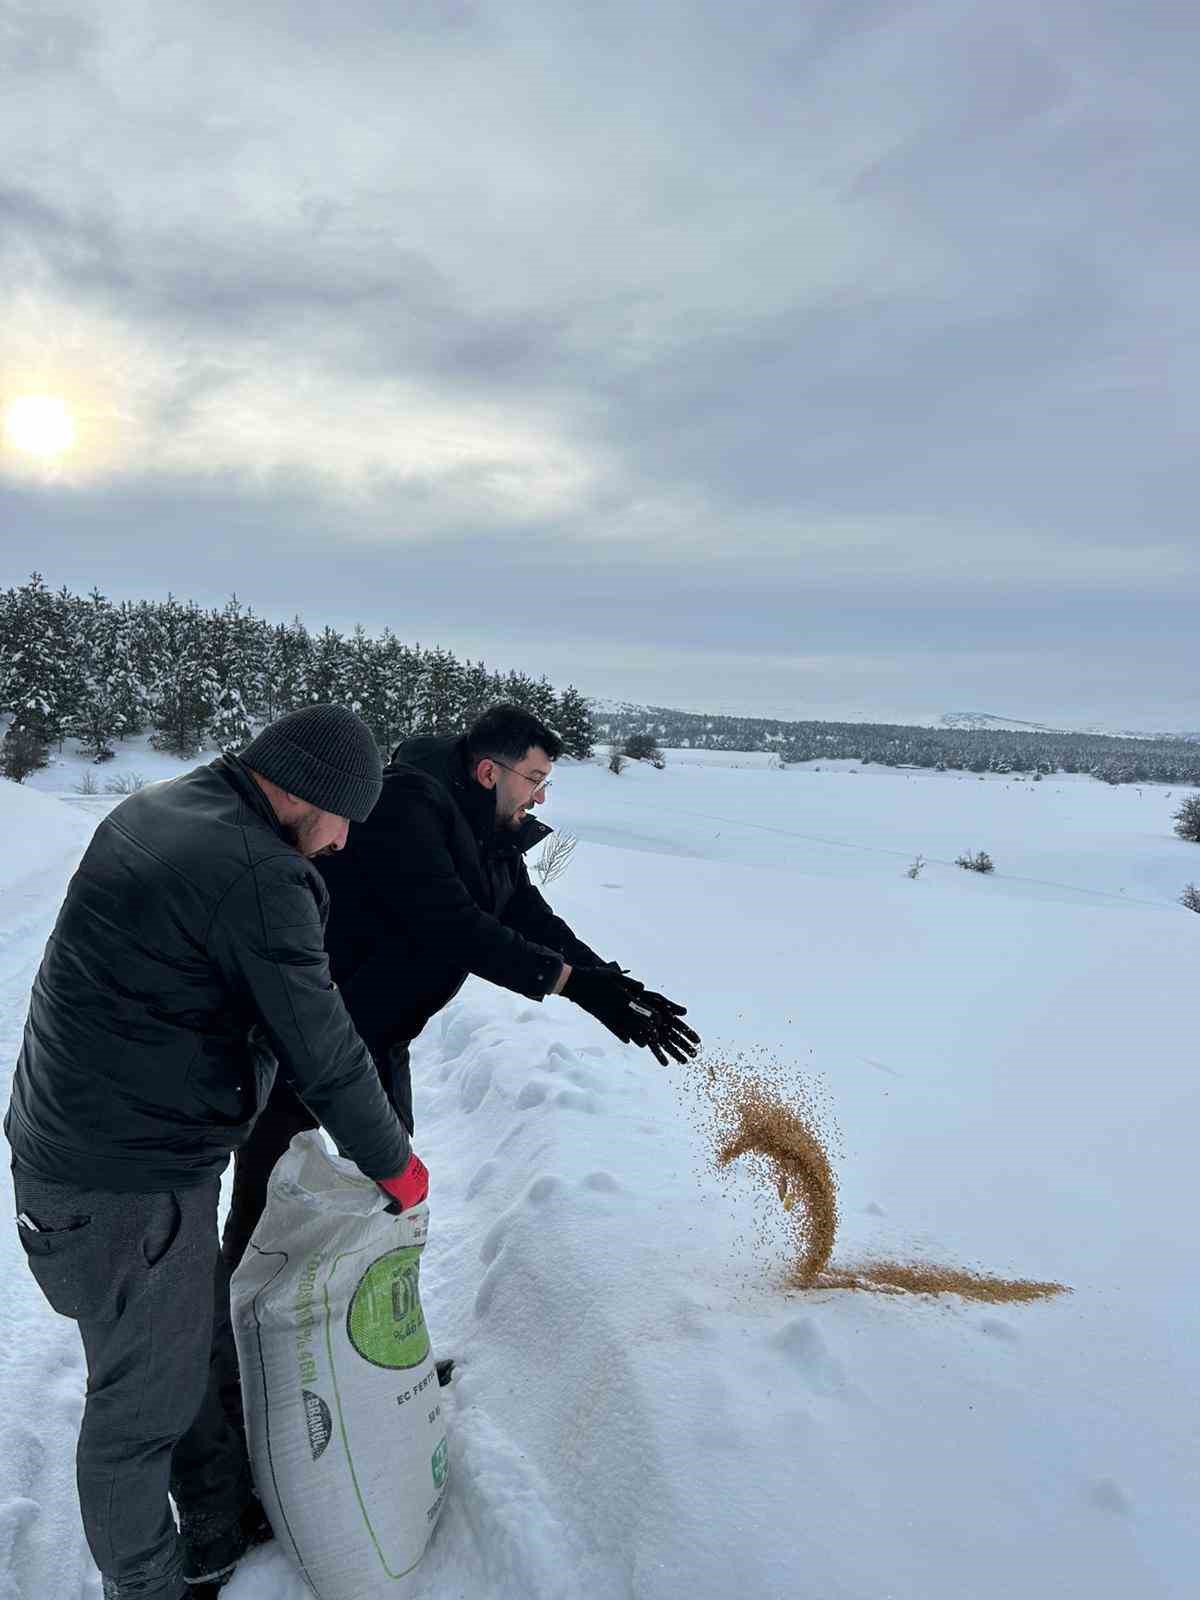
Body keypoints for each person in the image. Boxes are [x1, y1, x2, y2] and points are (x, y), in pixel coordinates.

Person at [4, 706, 429, 1600]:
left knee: (182, 1346)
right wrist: (395, 1165)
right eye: (346, 816)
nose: (346, 842)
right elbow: (324, 1045)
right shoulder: (256, 872)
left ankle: (216, 1518)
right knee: (135, 1414)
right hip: (121, 1181)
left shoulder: (167, 806)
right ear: (307, 794)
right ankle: (150, 1586)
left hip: (98, 1148)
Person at [222, 703, 700, 1266]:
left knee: (391, 1195)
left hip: (378, 1037)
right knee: (265, 1200)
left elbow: (527, 913)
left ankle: (367, 1350)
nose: (541, 798)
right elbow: (452, 925)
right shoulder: (406, 805)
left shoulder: (486, 826)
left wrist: (611, 985)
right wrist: (573, 985)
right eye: (535, 780)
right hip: (310, 1031)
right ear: (489, 772)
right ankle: (228, 1345)